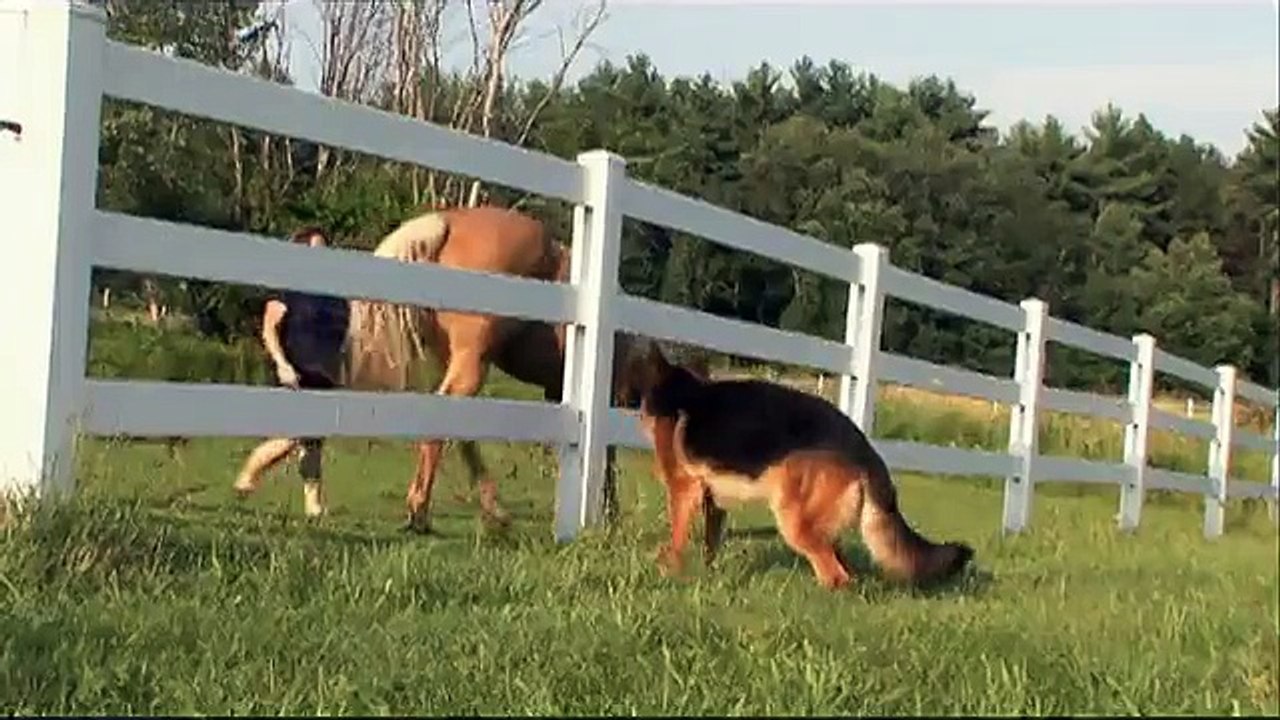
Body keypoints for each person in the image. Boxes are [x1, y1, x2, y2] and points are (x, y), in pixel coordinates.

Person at [233, 225, 350, 518]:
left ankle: (314, 506)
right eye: (316, 250)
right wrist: (282, 364)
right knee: (294, 435)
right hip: (294, 370)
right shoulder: (288, 287)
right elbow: (269, 327)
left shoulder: (334, 294)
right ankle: (249, 473)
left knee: (313, 443)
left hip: (325, 374)